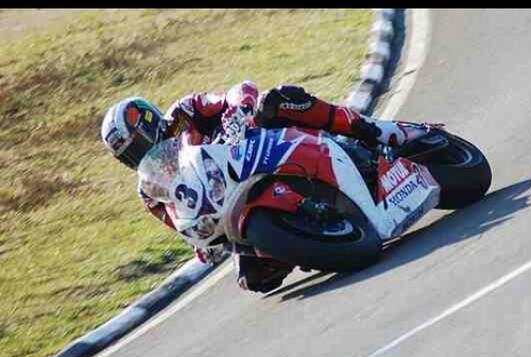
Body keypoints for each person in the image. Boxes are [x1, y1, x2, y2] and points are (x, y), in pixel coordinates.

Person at [101, 82, 416, 293]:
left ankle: (369, 129)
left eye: (137, 143)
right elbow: (179, 223)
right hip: (231, 207)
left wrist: (237, 111)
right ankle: (310, 237)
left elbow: (237, 92)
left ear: (149, 122)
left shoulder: (184, 113)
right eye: (129, 154)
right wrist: (200, 243)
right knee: (254, 279)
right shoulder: (151, 192)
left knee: (275, 102)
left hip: (254, 149)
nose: (138, 154)